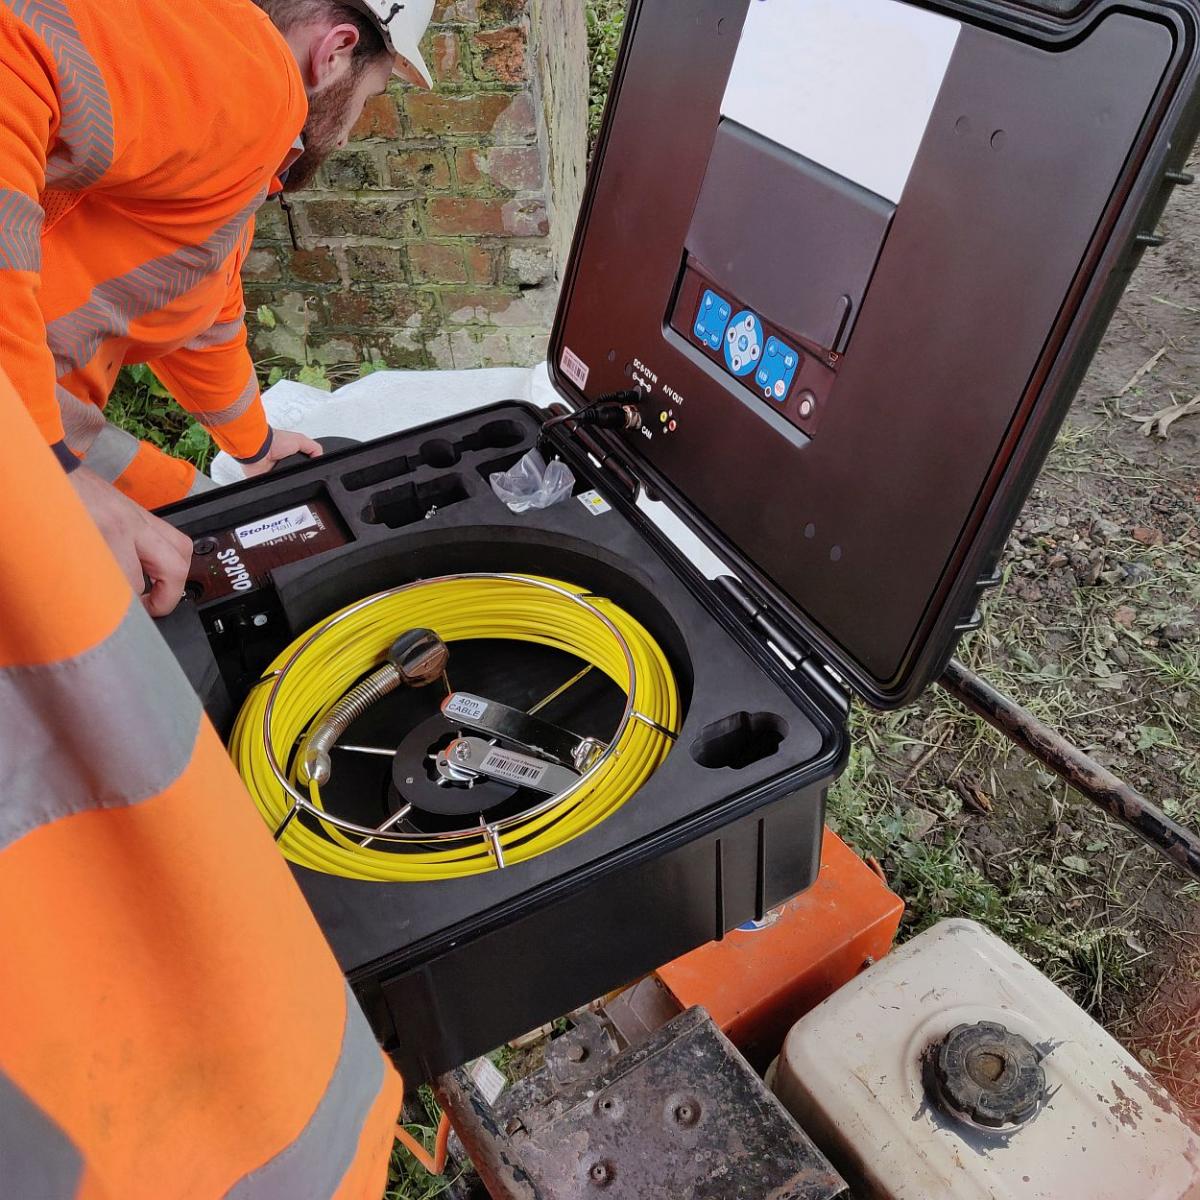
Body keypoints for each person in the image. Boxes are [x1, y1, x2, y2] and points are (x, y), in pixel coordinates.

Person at [0, 0, 434, 616]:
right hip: (24, 428)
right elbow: (18, 39)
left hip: (44, 410)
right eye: (373, 93)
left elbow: (204, 314)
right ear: (335, 49)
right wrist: (40, 475)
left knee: (205, 531)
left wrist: (253, 445)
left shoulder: (235, 140)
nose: (346, 132)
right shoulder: (247, 71)